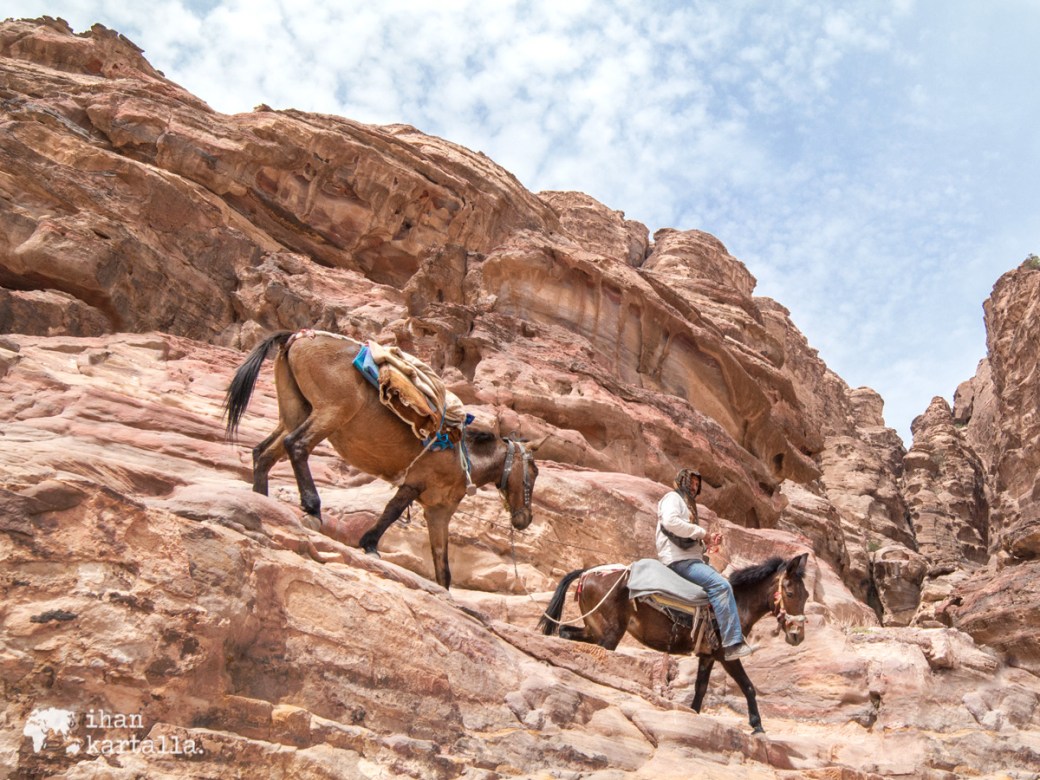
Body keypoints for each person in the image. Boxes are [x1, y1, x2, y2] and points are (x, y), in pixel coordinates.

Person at [656, 468, 757, 661]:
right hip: (679, 561)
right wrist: (703, 533)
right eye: (691, 482)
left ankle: (709, 639)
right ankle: (732, 644)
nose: (694, 487)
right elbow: (670, 522)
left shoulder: (687, 505)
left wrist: (707, 542)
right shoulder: (673, 498)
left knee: (723, 586)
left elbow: (686, 536)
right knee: (721, 586)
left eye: (697, 484)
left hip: (688, 558)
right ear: (682, 480)